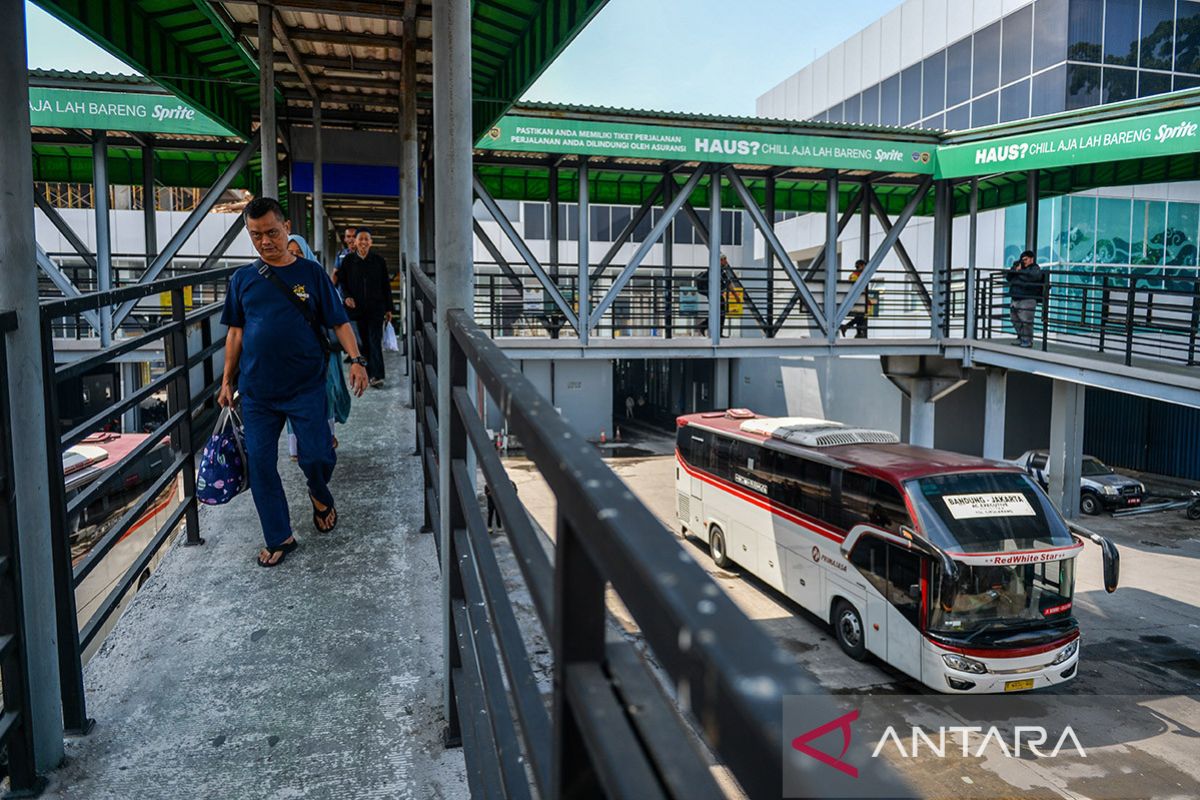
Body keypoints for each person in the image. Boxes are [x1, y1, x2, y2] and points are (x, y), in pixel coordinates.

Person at [218, 198, 369, 568]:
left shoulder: (312, 274)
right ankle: (279, 536)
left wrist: (357, 359)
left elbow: (338, 322)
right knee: (262, 465)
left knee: (317, 456)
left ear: (286, 227)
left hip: (305, 387)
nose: (265, 242)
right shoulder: (242, 280)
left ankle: (319, 492)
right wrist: (225, 382)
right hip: (256, 393)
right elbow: (235, 334)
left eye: (271, 232)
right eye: (256, 235)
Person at [285, 234, 339, 460]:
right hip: (287, 352)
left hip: (316, 350)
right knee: (292, 396)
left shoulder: (316, 276)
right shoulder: (275, 278)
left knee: (322, 393)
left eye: (298, 252)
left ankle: (325, 438)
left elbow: (334, 315)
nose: (295, 257)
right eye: (291, 252)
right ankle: (296, 446)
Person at [338, 228, 394, 388]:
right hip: (356, 310)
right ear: (354, 242)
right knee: (361, 343)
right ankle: (365, 373)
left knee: (374, 341)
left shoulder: (378, 261)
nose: (363, 242)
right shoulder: (348, 261)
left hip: (376, 309)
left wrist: (389, 308)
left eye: (366, 239)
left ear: (371, 242)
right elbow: (342, 282)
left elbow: (386, 286)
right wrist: (347, 297)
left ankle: (377, 375)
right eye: (360, 239)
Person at [1005, 249, 1044, 348]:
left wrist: (1019, 272)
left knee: (1026, 322)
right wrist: (1014, 269)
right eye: (1022, 260)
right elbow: (1008, 277)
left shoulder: (1035, 269)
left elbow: (1032, 277)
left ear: (1031, 259)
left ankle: (1027, 341)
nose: (1024, 262)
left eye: (1025, 259)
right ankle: (1022, 338)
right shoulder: (1019, 267)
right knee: (1015, 320)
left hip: (1027, 299)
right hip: (1016, 298)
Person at [696, 253, 731, 336]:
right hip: (715, 295)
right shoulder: (718, 270)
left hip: (714, 295)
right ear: (720, 260)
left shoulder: (717, 270)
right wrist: (736, 296)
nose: (726, 261)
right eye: (725, 259)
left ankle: (705, 325)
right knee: (721, 313)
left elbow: (727, 282)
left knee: (718, 313)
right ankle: (708, 327)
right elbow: (728, 283)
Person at [840, 259, 871, 338]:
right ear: (861, 266)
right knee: (863, 314)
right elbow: (857, 289)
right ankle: (856, 330)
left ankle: (854, 330)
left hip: (859, 299)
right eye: (864, 266)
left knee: (861, 315)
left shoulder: (855, 275)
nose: (865, 268)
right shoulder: (856, 275)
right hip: (858, 299)